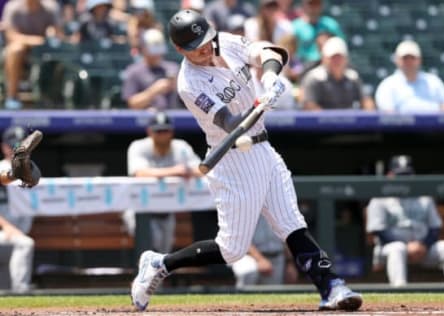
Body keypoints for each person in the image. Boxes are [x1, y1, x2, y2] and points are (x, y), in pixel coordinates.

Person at [131, 9, 362, 312]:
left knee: (292, 224)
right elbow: (230, 122)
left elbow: (267, 51)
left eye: (205, 41)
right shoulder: (189, 83)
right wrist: (260, 103)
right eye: (193, 47)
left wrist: (269, 75)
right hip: (233, 161)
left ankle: (331, 285)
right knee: (231, 250)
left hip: (264, 149)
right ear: (178, 50)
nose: (202, 49)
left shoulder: (225, 42)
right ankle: (160, 263)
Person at [366, 155, 444, 287]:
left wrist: (424, 245)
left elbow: (434, 227)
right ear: (390, 175)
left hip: (423, 249)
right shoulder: (379, 199)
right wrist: (407, 246)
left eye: (407, 175)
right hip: (391, 250)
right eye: (400, 175)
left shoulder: (424, 197)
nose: (404, 179)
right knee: (398, 248)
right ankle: (400, 290)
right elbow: (379, 232)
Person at [125, 112, 203, 253]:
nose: (162, 134)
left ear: (171, 131)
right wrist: (176, 171)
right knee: (151, 247)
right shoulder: (138, 146)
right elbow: (140, 173)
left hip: (166, 211)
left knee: (163, 256)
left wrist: (188, 171)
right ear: (150, 131)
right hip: (141, 210)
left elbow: (202, 169)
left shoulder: (181, 147)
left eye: (165, 130)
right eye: (158, 131)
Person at [0, 126, 40, 292]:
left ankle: (19, 291)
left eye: (20, 147)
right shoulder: (2, 166)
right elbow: (3, 176)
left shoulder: (31, 169)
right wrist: (13, 174)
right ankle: (20, 291)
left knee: (24, 243)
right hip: (5, 232)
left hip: (18, 233)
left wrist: (21, 172)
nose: (15, 150)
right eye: (13, 146)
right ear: (4, 146)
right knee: (25, 244)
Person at [1, 0, 62, 109]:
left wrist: (51, 33)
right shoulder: (13, 7)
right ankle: (12, 96)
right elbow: (11, 36)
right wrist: (35, 40)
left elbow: (58, 33)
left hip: (43, 50)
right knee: (16, 49)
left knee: (59, 52)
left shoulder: (51, 7)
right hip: (19, 49)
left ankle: (52, 98)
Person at [375, 40, 444, 113]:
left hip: (436, 127)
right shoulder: (387, 85)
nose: (409, 62)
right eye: (405, 58)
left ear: (419, 60)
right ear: (397, 60)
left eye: (412, 58)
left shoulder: (433, 81)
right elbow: (389, 115)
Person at [300, 37, 375, 110]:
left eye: (339, 57)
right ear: (324, 59)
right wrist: (333, 120)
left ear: (346, 59)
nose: (336, 61)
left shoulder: (353, 77)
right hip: (321, 122)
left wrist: (369, 112)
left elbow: (366, 101)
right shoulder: (314, 78)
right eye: (333, 57)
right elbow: (310, 106)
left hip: (349, 121)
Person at [231, 216, 298, 288]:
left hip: (276, 257)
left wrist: (289, 263)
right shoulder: (245, 208)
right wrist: (260, 259)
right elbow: (240, 239)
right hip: (248, 256)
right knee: (248, 272)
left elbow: (286, 236)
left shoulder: (279, 208)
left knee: (272, 294)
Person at [122, 28, 179, 110]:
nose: (157, 54)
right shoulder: (134, 71)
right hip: (145, 119)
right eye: (153, 49)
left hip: (175, 118)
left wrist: (177, 87)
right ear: (143, 49)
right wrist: (153, 91)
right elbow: (132, 104)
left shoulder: (173, 68)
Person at [292, 0, 344, 64]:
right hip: (302, 65)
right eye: (311, 4)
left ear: (321, 6)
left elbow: (341, 47)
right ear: (304, 5)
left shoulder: (331, 25)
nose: (314, 8)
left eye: (317, 4)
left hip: (326, 64)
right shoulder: (295, 27)